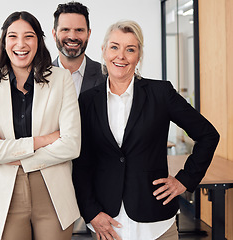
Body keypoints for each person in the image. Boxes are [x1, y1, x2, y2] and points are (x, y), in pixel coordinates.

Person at [73, 20, 219, 240]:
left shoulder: (161, 93)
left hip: (156, 221)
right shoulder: (87, 101)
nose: (120, 56)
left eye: (130, 49)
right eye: (114, 47)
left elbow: (208, 135)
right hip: (107, 224)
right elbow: (82, 162)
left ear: (138, 55)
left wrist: (184, 180)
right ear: (103, 51)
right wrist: (91, 212)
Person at [0, 11, 81, 240]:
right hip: (3, 192)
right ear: (4, 41)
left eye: (28, 36)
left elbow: (71, 146)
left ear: (38, 40)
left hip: (52, 190)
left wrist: (9, 151)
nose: (21, 44)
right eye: (12, 36)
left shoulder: (61, 79)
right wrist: (43, 141)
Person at [52, 1, 105, 97]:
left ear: (88, 34)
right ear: (54, 34)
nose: (72, 36)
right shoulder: (40, 76)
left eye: (79, 30)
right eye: (65, 29)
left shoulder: (106, 76)